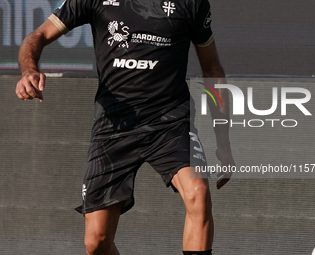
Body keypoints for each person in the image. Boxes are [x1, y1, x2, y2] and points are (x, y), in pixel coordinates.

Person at [15, 0, 235, 254]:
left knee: (198, 192)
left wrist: (224, 141)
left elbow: (212, 69)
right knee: (96, 242)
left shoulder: (192, 3)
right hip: (113, 127)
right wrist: (29, 71)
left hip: (170, 123)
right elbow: (38, 36)